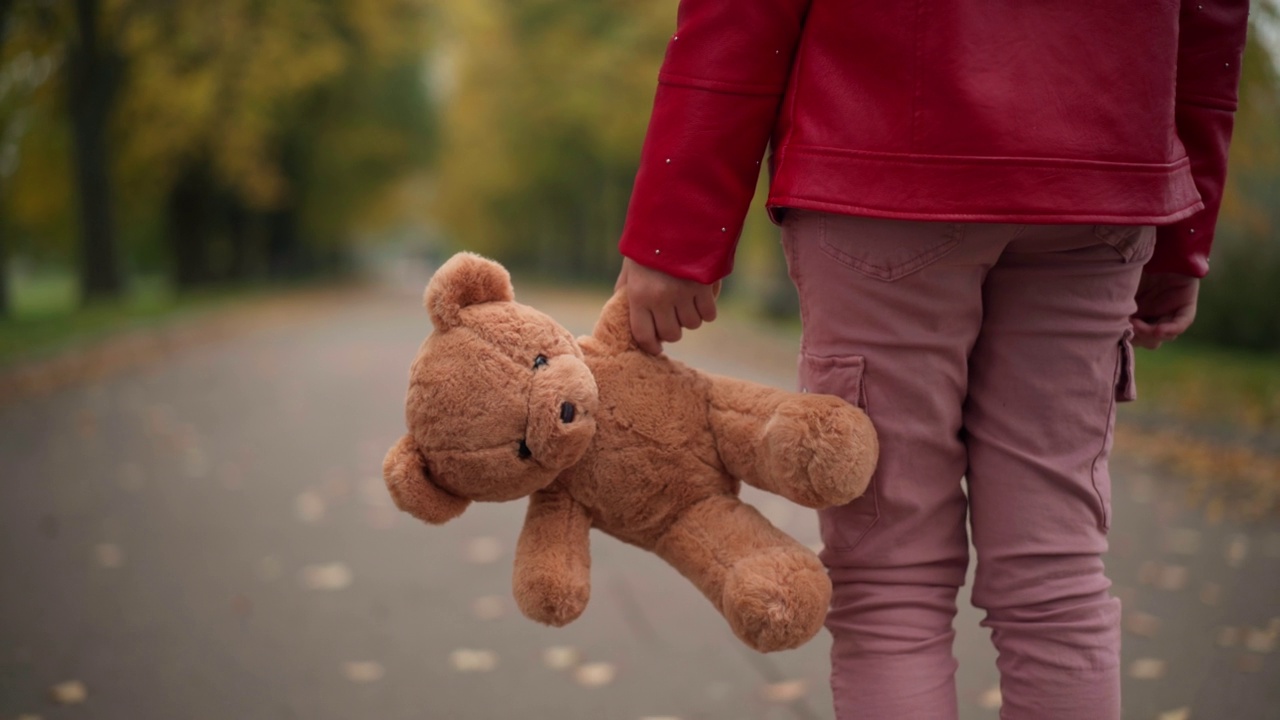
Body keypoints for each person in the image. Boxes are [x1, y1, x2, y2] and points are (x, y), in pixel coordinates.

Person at [613, 2, 1250, 719]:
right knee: (1056, 575)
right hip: (1101, 176)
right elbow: (1213, 16)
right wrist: (1185, 228)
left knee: (892, 581)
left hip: (883, 163)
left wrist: (678, 227)